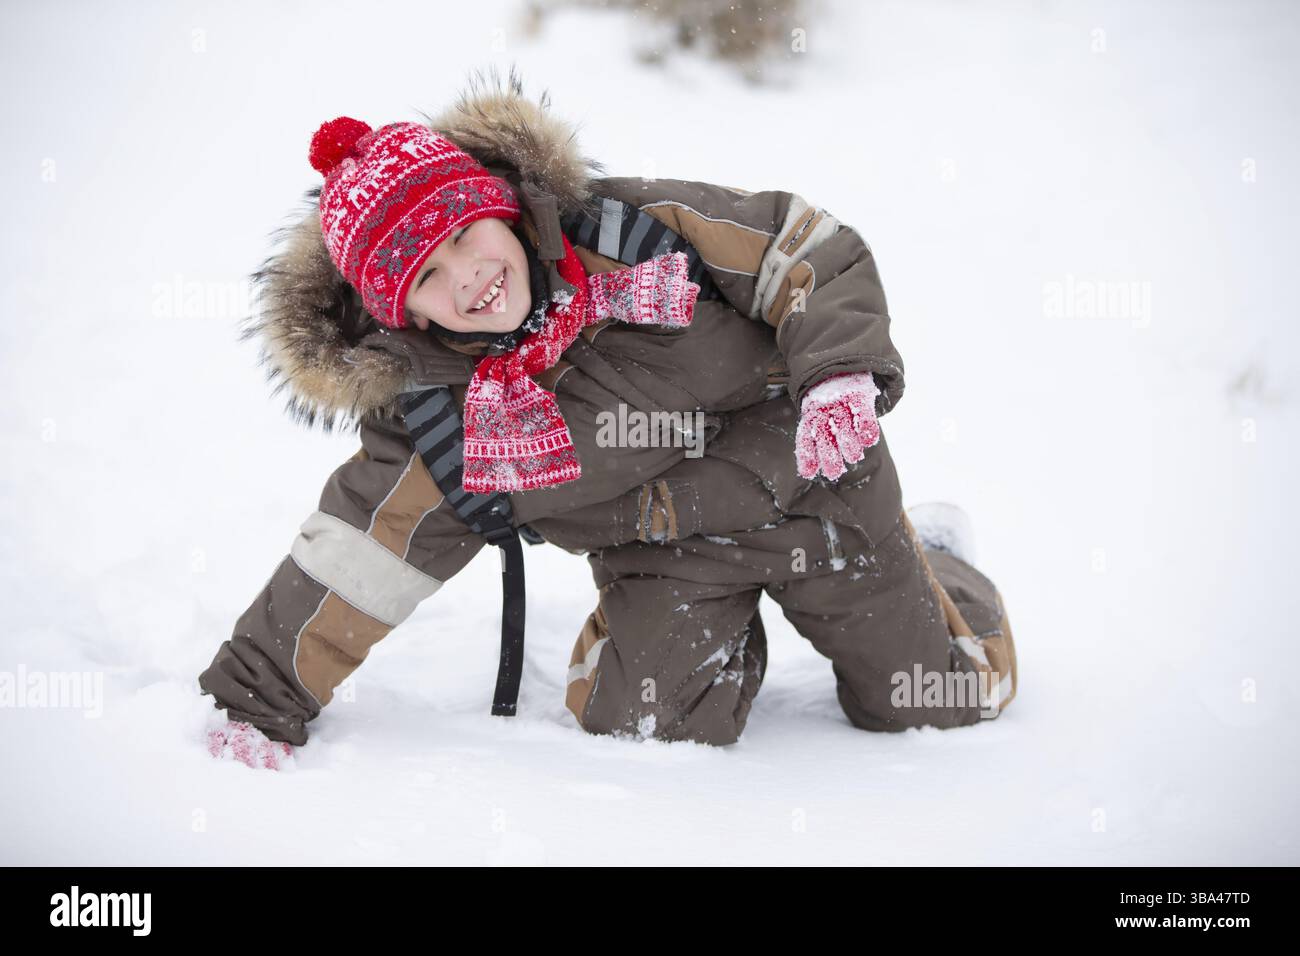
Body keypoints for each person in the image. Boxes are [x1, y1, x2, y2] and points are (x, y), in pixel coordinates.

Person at [199, 66, 1017, 769]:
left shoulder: (633, 234)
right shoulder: (443, 423)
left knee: (933, 699)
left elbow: (802, 252)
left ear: (500, 207)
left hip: (824, 493)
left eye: (465, 235)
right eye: (426, 276)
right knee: (646, 726)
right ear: (403, 313)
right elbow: (358, 552)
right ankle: (664, 644)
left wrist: (838, 371)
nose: (468, 278)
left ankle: (939, 560)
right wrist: (254, 696)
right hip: (667, 556)